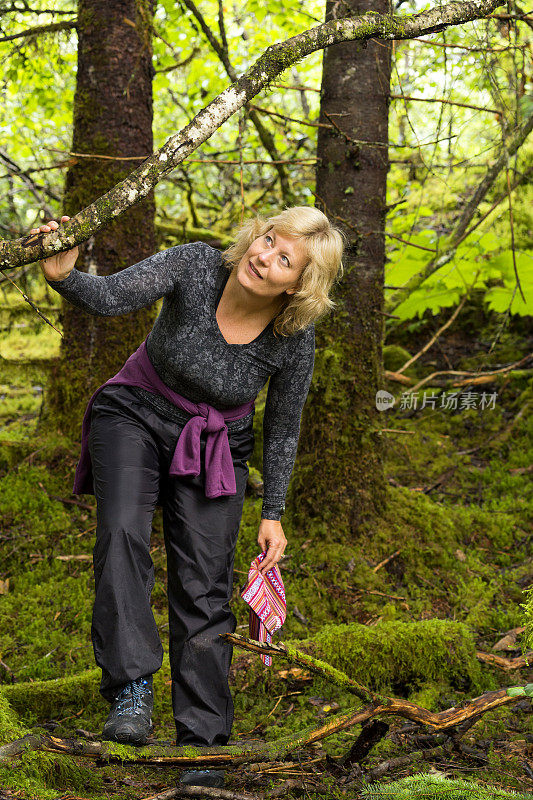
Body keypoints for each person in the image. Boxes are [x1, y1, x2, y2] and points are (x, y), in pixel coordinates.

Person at [35, 206, 345, 787]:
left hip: (217, 444)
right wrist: (62, 275)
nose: (264, 257)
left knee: (205, 584)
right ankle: (130, 688)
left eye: (285, 259)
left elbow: (282, 425)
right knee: (122, 532)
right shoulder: (196, 264)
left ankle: (202, 746)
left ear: (299, 285)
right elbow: (109, 297)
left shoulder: (292, 337)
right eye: (269, 239)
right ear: (256, 232)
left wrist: (273, 511)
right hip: (133, 412)